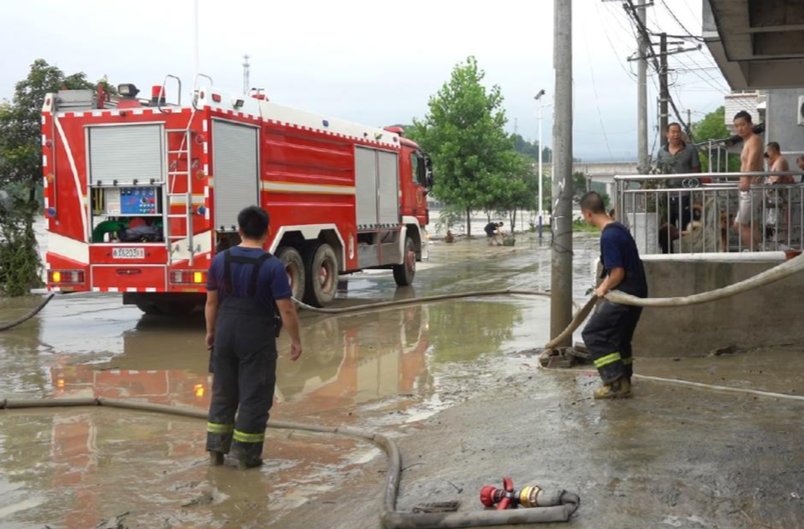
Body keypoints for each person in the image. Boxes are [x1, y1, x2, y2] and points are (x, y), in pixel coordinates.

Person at [205, 206, 303, 469]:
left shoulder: (219, 260)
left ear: (239, 230)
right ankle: (246, 456)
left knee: (223, 393)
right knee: (254, 395)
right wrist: (296, 341)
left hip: (225, 331)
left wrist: (211, 333)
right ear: (268, 232)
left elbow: (211, 303)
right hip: (255, 336)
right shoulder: (272, 266)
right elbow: (286, 308)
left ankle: (216, 449)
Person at [580, 192, 648, 399]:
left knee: (593, 334)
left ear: (588, 213)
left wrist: (603, 288)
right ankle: (624, 378)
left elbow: (618, 273)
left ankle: (615, 382)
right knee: (619, 338)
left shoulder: (609, 235)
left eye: (583, 215)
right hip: (637, 292)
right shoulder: (619, 228)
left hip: (624, 295)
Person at [655, 122, 701, 253]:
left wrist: (694, 189)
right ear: (667, 134)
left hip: (685, 194)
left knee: (685, 226)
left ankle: (686, 253)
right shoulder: (662, 152)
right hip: (667, 195)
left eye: (678, 131)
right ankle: (666, 254)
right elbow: (659, 171)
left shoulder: (690, 150)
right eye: (673, 132)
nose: (676, 134)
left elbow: (696, 170)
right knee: (666, 227)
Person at [733, 111, 764, 250]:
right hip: (749, 187)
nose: (739, 128)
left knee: (739, 224)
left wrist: (745, 179)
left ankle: (753, 251)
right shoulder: (747, 141)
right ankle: (756, 249)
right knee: (752, 222)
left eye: (743, 124)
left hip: (751, 186)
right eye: (736, 126)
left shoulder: (754, 140)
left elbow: (751, 162)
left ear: (750, 124)